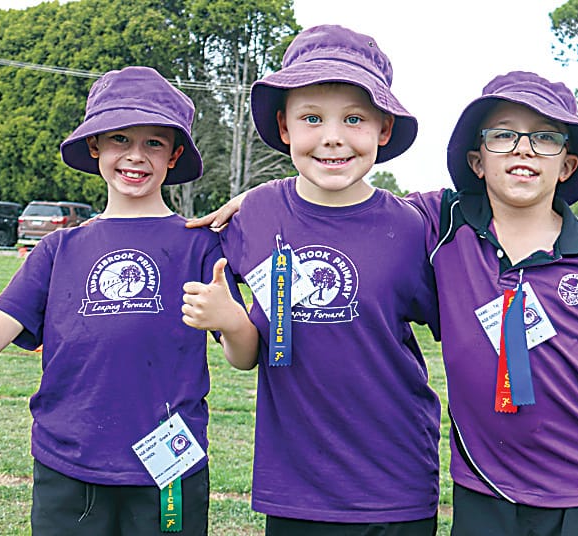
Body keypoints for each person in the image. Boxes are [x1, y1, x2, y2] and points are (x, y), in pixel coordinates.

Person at [190, 71, 578, 536]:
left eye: (544, 138)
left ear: (567, 164)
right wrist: (261, 199)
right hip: (483, 487)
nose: (523, 149)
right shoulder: (444, 226)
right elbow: (342, 203)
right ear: (477, 161)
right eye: (504, 136)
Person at [0, 66, 257, 535]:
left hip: (170, 469)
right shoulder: (57, 249)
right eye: (120, 138)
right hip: (68, 466)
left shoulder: (199, 245)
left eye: (154, 143)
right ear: (95, 146)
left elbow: (244, 357)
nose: (135, 156)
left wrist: (232, 321)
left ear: (174, 155)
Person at [183, 24, 441, 535]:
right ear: (284, 127)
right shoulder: (254, 216)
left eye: (354, 118)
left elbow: (461, 327)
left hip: (397, 482)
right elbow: (247, 354)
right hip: (297, 485)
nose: (332, 136)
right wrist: (231, 320)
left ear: (383, 129)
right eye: (311, 118)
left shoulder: (411, 228)